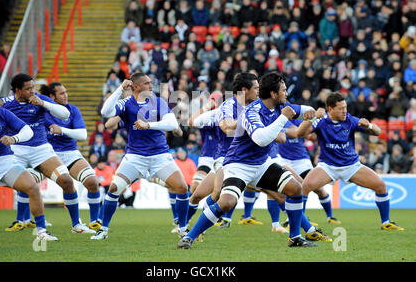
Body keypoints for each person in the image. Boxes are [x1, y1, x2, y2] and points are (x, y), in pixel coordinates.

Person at [177, 72, 319, 249]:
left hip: (261, 162)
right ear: (273, 94)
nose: (286, 93)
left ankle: (296, 237)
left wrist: (313, 112)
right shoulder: (248, 111)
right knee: (224, 201)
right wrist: (282, 119)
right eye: (283, 90)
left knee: (294, 188)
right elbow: (259, 138)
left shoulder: (275, 106)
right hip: (237, 163)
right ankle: (188, 236)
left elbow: (299, 112)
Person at [0, 74, 93, 234]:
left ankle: (76, 225)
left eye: (33, 87)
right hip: (16, 151)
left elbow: (65, 114)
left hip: (41, 149)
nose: (32, 91)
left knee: (66, 181)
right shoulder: (5, 104)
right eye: (28, 89)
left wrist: (43, 103)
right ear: (17, 90)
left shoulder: (39, 99)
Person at [93, 72, 189, 240]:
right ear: (135, 87)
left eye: (151, 83)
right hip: (135, 157)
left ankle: (183, 229)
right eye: (146, 83)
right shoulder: (126, 103)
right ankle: (103, 230)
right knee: (114, 189)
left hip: (160, 155)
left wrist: (149, 125)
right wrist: (120, 89)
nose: (151, 86)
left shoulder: (158, 102)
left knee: (182, 188)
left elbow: (172, 123)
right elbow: (105, 112)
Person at [297, 91, 404, 231]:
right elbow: (299, 133)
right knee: (305, 187)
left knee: (381, 186)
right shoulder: (321, 121)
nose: (344, 111)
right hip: (327, 166)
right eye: (341, 108)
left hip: (351, 166)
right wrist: (311, 119)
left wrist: (369, 126)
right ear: (330, 109)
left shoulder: (350, 120)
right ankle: (301, 222)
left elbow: (378, 132)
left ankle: (386, 222)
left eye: (345, 107)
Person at [0, 87, 57, 249]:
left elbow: (27, 130)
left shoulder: (1, 113)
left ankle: (42, 230)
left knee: (32, 187)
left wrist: (14, 138)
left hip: (5, 161)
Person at [185, 73, 259, 232]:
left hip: (238, 159)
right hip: (223, 159)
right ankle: (187, 227)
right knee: (213, 192)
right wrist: (206, 107)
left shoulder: (253, 108)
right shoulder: (217, 114)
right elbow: (191, 122)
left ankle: (194, 226)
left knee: (199, 195)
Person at [40, 82, 103, 230]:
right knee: (30, 183)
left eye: (66, 92)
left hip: (70, 153)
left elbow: (82, 134)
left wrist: (61, 130)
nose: (66, 95)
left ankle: (94, 221)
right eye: (61, 93)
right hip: (47, 154)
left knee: (92, 182)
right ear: (51, 97)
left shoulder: (72, 110)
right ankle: (23, 220)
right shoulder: (41, 111)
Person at [279, 119, 341, 224]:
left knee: (319, 189)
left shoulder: (300, 122)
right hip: (284, 160)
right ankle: (292, 220)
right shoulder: (278, 121)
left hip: (302, 161)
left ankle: (330, 216)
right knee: (288, 190)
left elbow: (313, 136)